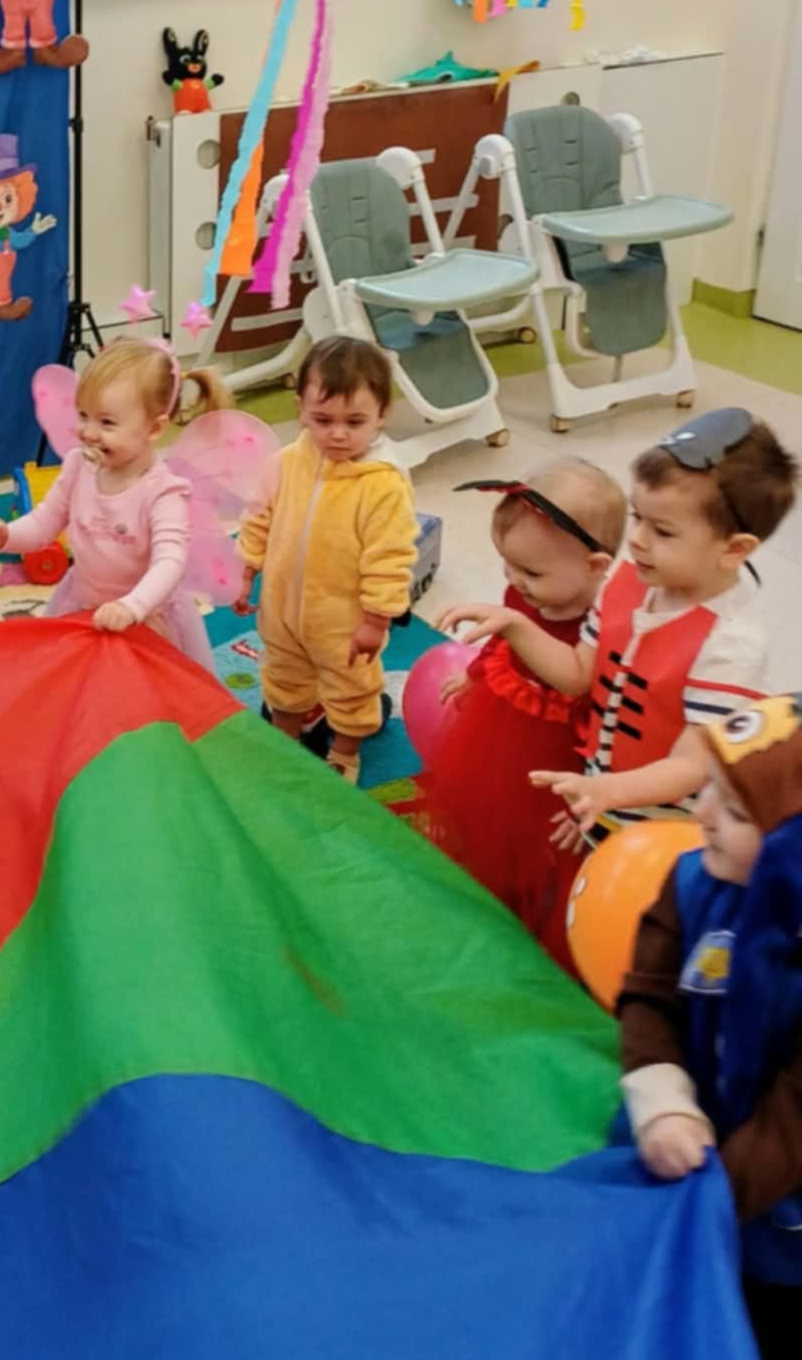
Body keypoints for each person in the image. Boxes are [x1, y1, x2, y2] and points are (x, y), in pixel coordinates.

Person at [439, 409, 797, 843]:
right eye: (637, 517)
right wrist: (516, 624)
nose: (638, 539)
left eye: (663, 531)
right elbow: (578, 675)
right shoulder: (626, 584)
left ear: (734, 549)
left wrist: (608, 792)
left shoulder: (731, 647)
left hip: (658, 830)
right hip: (601, 799)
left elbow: (690, 766)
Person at [617, 694, 802, 1360]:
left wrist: (708, 1201)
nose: (698, 817)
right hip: (691, 1164)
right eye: (706, 794)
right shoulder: (694, 881)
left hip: (780, 1218)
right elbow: (648, 996)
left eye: (733, 811)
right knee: (704, 1319)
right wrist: (662, 1100)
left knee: (778, 1331)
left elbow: (794, 1123)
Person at [418, 463, 626, 968]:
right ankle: (489, 873)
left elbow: (589, 695)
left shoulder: (606, 625)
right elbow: (505, 642)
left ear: (595, 567)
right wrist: (478, 676)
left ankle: (528, 904)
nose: (515, 582)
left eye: (531, 573)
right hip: (503, 723)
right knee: (488, 801)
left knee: (540, 839)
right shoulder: (523, 594)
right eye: (508, 565)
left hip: (558, 751)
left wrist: (597, 797)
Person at [0, 339, 229, 669]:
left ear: (154, 428)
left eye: (107, 422)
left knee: (144, 690)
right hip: (84, 604)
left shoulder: (164, 493)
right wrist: (6, 535)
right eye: (83, 416)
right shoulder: (78, 466)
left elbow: (169, 563)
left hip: (145, 617)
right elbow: (43, 523)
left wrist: (131, 607)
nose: (89, 433)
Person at [235, 336, 416, 784]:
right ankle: (285, 739)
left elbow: (390, 558)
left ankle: (343, 752)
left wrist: (376, 620)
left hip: (344, 623)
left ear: (382, 414)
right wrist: (246, 570)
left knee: (352, 689)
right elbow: (258, 517)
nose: (337, 434)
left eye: (354, 422)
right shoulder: (285, 463)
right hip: (282, 610)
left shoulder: (383, 484)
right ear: (301, 409)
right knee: (283, 678)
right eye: (323, 420)